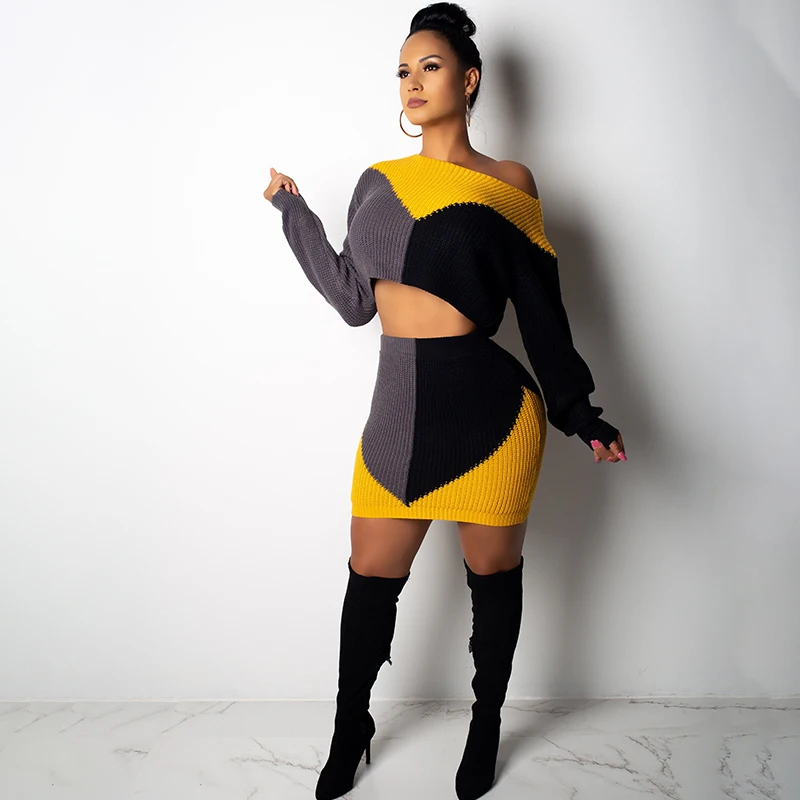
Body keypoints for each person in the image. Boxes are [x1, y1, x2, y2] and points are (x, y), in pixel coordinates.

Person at [264, 4, 626, 798]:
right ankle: (350, 726)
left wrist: (577, 410)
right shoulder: (377, 184)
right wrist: (294, 213)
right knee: (370, 579)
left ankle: (486, 722)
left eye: (429, 66)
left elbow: (541, 310)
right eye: (403, 69)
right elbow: (353, 301)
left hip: (493, 418)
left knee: (491, 583)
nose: (413, 81)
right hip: (398, 412)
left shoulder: (509, 184)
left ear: (468, 80)